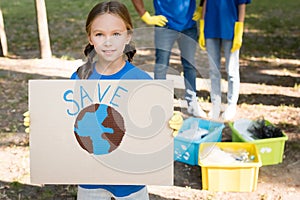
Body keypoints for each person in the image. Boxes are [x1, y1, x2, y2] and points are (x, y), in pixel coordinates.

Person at [72, 1, 151, 199]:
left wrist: (169, 125)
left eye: (116, 34)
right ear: (90, 38)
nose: (108, 42)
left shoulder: (141, 81)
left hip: (130, 181)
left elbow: (151, 130)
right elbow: (69, 119)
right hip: (90, 178)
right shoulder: (79, 78)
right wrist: (43, 119)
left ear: (128, 36)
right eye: (100, 34)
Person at [131, 0, 207, 118]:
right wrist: (145, 15)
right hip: (165, 25)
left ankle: (192, 102)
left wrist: (201, 7)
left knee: (190, 65)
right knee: (162, 65)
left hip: (189, 26)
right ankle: (161, 104)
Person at [198, 0, 251, 120]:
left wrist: (239, 28)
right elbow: (205, 2)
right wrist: (202, 23)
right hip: (211, 27)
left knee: (231, 70)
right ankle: (216, 104)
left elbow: (241, 5)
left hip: (230, 28)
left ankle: (232, 105)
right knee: (213, 70)